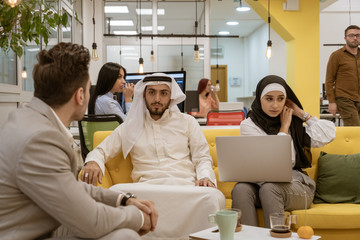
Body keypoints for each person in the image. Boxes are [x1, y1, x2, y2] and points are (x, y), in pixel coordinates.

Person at [0, 42, 157, 240]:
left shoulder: (26, 119)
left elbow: (71, 187)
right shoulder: (39, 140)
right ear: (80, 95)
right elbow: (92, 223)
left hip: (38, 225)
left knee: (123, 233)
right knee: (125, 236)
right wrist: (139, 217)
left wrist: (123, 200)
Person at [81, 73, 225, 239]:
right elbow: (101, 150)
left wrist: (205, 176)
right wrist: (92, 161)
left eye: (163, 93)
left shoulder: (187, 122)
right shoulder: (131, 126)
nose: (157, 98)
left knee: (212, 197)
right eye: (152, 92)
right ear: (144, 95)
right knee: (116, 192)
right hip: (146, 189)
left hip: (185, 187)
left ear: (171, 97)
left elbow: (202, 158)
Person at [232, 75, 336, 228]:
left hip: (297, 186)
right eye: (269, 99)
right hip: (261, 183)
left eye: (281, 99)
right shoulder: (249, 125)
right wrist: (283, 129)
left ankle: (277, 237)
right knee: (240, 189)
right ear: (259, 98)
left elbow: (329, 134)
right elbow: (270, 161)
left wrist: (301, 113)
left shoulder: (294, 124)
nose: (275, 105)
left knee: (270, 188)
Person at [325, 25, 360, 126]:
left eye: (358, 35)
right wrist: (331, 102)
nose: (355, 38)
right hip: (344, 98)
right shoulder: (337, 55)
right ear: (345, 38)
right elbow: (329, 80)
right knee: (355, 129)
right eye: (351, 35)